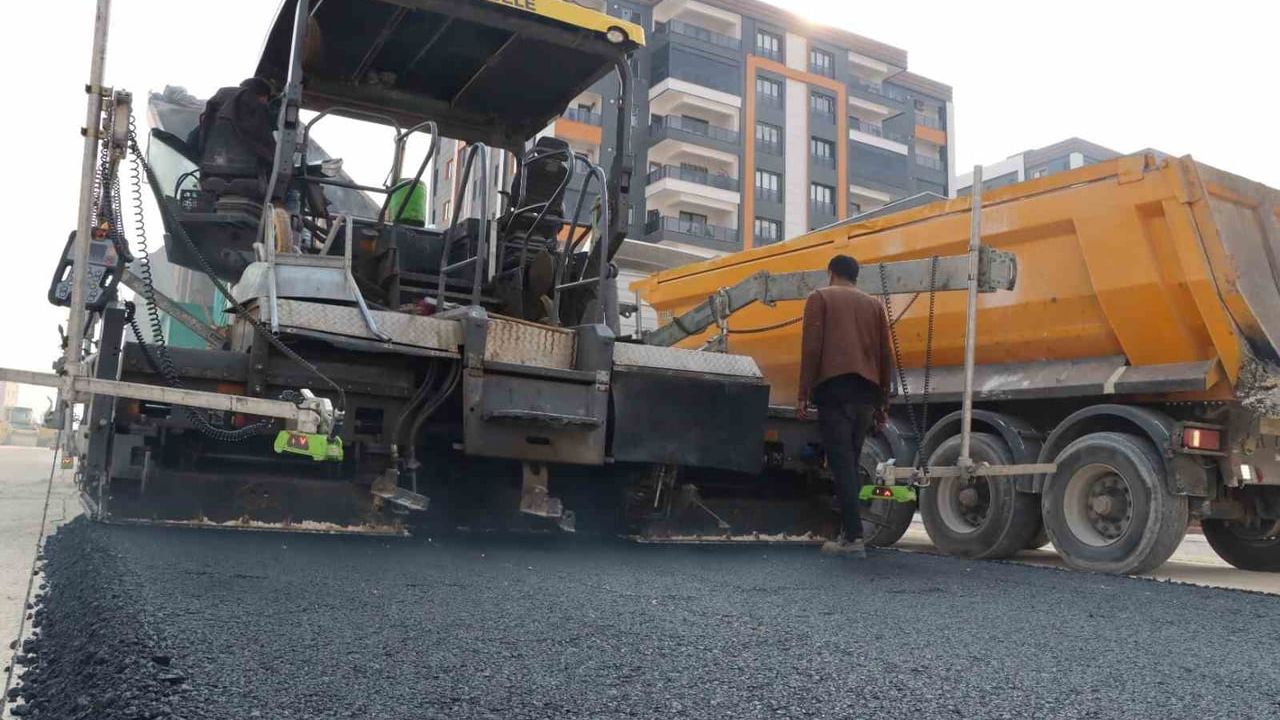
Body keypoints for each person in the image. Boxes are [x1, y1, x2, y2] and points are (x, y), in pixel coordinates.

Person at [796, 255, 892, 558]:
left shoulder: (819, 298)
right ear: (855, 276)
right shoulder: (875, 305)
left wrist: (803, 393)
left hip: (835, 390)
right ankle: (848, 533)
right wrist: (883, 402)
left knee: (842, 465)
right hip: (866, 391)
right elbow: (884, 355)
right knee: (850, 462)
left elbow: (812, 347)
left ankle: (853, 538)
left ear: (830, 273)